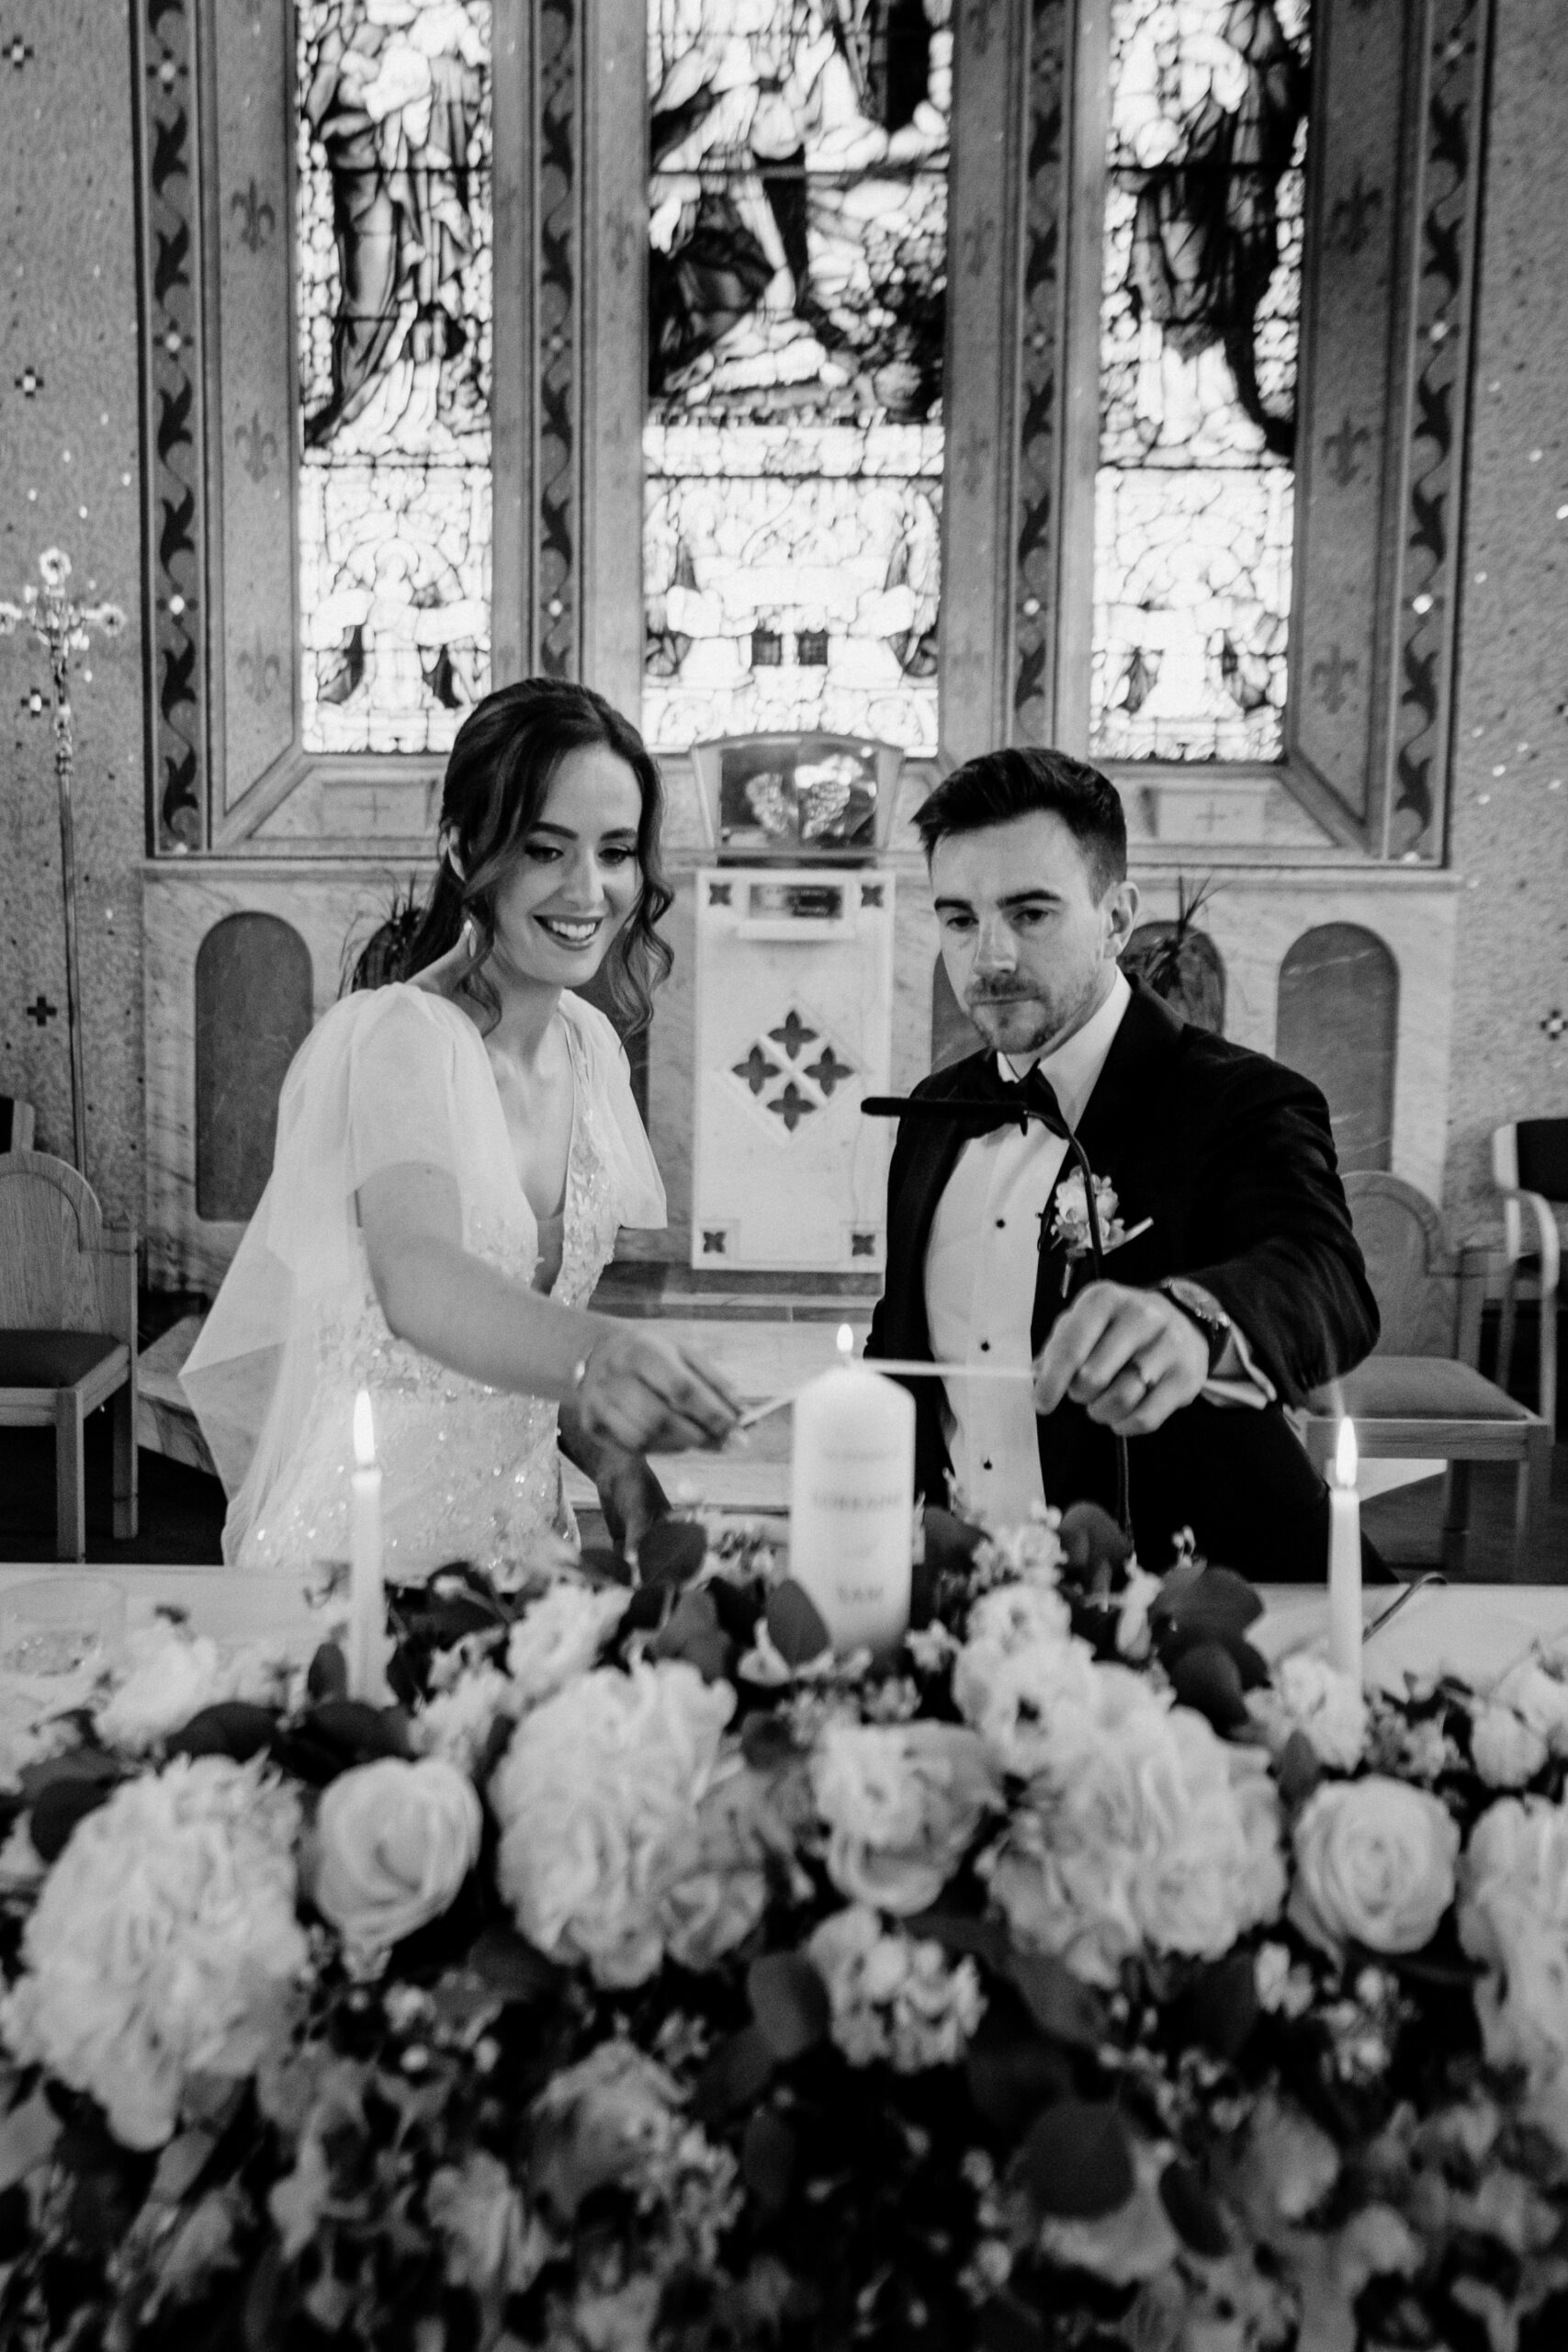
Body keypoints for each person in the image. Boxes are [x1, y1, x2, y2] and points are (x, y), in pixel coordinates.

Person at [184, 679, 740, 1577]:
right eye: (546, 848)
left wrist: (625, 1475)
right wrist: (607, 1354)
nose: (588, 889)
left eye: (617, 851)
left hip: (525, 1555)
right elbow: (423, 1283)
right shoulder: (397, 1037)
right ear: (461, 849)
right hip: (367, 1558)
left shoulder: (592, 1047)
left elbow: (524, 1346)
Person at [865, 745, 1380, 1580]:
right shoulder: (932, 1111)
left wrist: (1194, 1319)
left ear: (1116, 917)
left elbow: (1325, 1280)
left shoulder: (1240, 1101)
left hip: (1198, 1604)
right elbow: (905, 1346)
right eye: (959, 919)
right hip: (969, 1604)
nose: (987, 959)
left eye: (1030, 914)